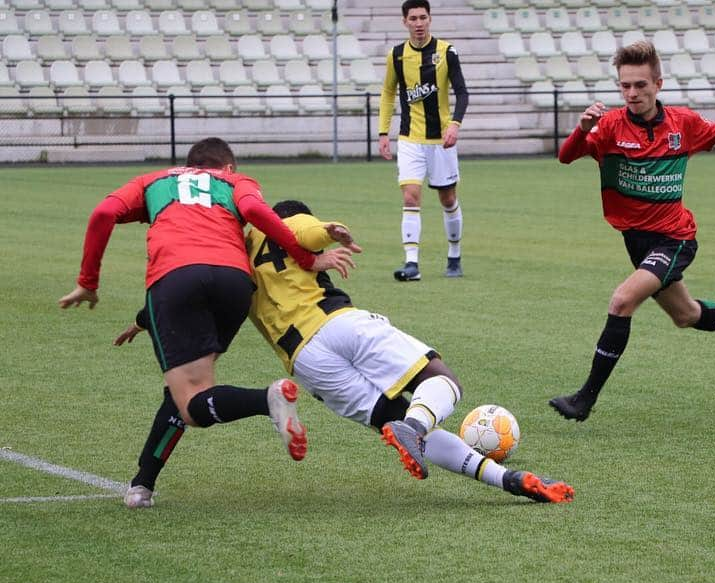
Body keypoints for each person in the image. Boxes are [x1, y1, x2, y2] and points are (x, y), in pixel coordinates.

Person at [114, 201, 575, 507]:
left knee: (395, 419)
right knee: (442, 382)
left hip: (308, 366)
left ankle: (508, 480)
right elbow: (307, 232)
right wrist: (327, 231)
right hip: (338, 324)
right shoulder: (286, 223)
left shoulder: (234, 259)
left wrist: (141, 318)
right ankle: (411, 426)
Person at [59, 137, 354, 509]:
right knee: (184, 390)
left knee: (193, 404)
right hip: (234, 284)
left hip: (175, 282)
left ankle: (268, 399)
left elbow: (104, 214)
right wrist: (307, 259)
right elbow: (257, 212)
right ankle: (142, 485)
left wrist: (88, 283)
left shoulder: (152, 181)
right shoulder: (235, 183)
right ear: (227, 167)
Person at [548, 41, 715, 422]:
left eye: (640, 85)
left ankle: (584, 399)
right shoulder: (608, 127)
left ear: (658, 84)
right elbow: (566, 157)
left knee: (622, 301)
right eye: (625, 86)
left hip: (674, 238)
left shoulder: (682, 124)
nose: (632, 93)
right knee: (686, 315)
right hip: (637, 241)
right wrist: (582, 129)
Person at [378, 0, 469, 282]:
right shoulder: (396, 55)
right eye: (413, 18)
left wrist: (454, 125)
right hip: (410, 139)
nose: (419, 23)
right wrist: (384, 133)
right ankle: (412, 263)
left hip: (441, 141)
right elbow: (388, 93)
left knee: (448, 198)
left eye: (423, 17)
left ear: (430, 19)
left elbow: (463, 93)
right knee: (410, 196)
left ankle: (454, 255)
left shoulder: (447, 52)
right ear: (404, 21)